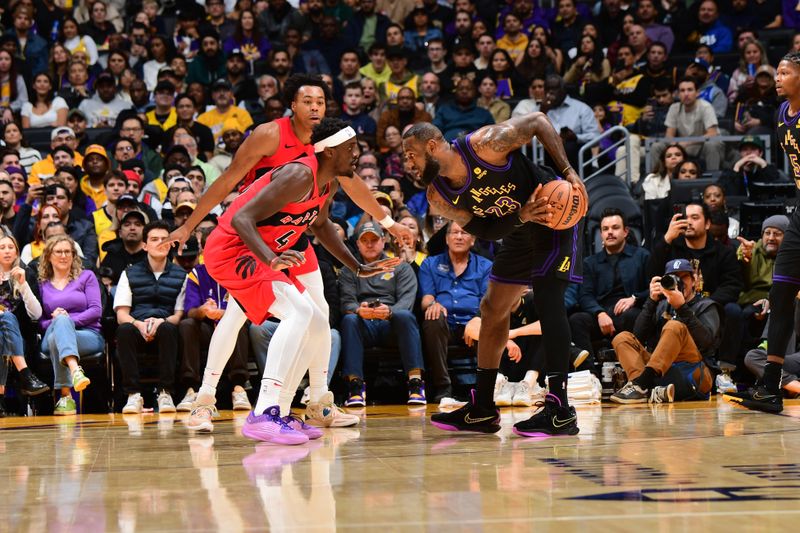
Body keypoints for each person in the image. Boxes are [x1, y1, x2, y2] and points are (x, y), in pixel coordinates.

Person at [189, 118, 397, 442]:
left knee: (315, 319)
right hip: (233, 250)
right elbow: (242, 218)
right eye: (350, 149)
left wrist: (356, 266)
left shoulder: (328, 182)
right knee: (297, 313)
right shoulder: (299, 174)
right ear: (328, 152)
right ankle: (263, 412)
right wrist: (271, 259)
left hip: (264, 251)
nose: (357, 155)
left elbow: (322, 225)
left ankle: (283, 410)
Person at [402, 110, 587, 436]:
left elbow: (538, 121)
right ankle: (483, 407)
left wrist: (569, 173)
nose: (408, 165)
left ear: (432, 146)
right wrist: (520, 217)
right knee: (492, 308)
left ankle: (560, 408)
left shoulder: (485, 145)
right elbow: (484, 230)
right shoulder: (437, 195)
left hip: (551, 213)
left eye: (411, 155)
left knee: (547, 299)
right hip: (518, 225)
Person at [726, 53, 800, 413]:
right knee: (781, 292)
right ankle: (770, 386)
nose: (778, 78)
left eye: (785, 73)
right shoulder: (781, 117)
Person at [610, 259, 719, 403]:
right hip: (661, 370)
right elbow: (638, 337)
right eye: (672, 277)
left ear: (694, 280)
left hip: (696, 371)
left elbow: (707, 343)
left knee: (674, 326)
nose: (678, 282)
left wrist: (682, 308)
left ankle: (643, 384)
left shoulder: (707, 305)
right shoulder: (662, 306)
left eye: (683, 277)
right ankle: (640, 387)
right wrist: (651, 301)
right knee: (622, 338)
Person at [339, 222, 424, 406]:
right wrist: (358, 310)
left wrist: (390, 312)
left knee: (406, 316)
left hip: (391, 324)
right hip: (364, 325)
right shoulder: (348, 270)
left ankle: (416, 383)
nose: (369, 244)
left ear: (383, 241)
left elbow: (407, 301)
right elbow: (347, 301)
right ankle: (355, 386)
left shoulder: (400, 267)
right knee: (349, 319)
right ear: (358, 244)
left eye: (374, 240)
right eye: (365, 241)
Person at [114, 220, 188, 414]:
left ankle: (165, 393)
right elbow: (122, 314)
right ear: (145, 245)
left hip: (166, 328)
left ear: (172, 243)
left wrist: (162, 321)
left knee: (169, 328)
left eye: (165, 239)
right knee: (124, 330)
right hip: (137, 325)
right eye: (154, 239)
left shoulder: (182, 275)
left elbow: (179, 314)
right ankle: (133, 395)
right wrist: (138, 324)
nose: (160, 243)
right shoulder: (129, 273)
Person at [570, 208, 650, 362]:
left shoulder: (642, 256)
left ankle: (635, 370)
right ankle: (590, 374)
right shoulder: (590, 262)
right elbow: (585, 295)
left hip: (630, 311)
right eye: (605, 229)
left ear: (626, 231)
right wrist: (599, 313)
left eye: (615, 227)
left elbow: (653, 288)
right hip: (601, 314)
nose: (610, 232)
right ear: (601, 234)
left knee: (633, 316)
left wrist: (635, 298)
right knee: (576, 320)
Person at [37, 235, 102, 416]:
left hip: (87, 335)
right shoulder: (42, 284)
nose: (64, 255)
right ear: (49, 256)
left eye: (68, 252)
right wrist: (56, 321)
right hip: (52, 330)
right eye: (58, 252)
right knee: (57, 327)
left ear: (74, 255)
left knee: (55, 337)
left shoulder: (87, 277)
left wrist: (66, 321)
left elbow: (96, 310)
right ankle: (75, 371)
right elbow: (40, 321)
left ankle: (66, 397)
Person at [0, 232, 49, 416]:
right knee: (5, 317)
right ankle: (26, 375)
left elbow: (36, 314)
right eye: (2, 247)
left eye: (10, 247)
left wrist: (23, 285)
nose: (6, 251)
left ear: (17, 252)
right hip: (13, 341)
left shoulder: (26, 273)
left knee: (5, 324)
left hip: (20, 338)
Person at [717, 136, 782, 197]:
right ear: (740, 153)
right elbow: (720, 191)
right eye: (745, 149)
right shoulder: (731, 171)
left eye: (753, 149)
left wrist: (763, 164)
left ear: (760, 153)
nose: (748, 153)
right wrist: (736, 167)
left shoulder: (769, 169)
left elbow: (778, 189)